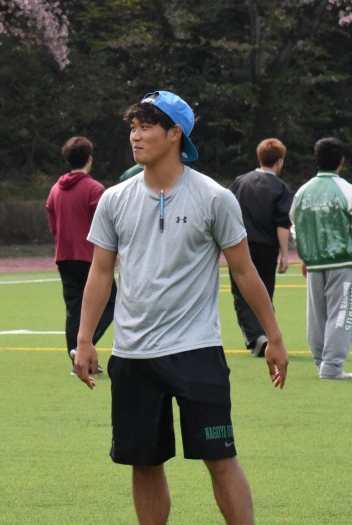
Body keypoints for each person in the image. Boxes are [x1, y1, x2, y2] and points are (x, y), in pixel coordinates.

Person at [73, 90, 288, 525]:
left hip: (197, 352)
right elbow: (101, 271)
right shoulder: (115, 199)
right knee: (144, 462)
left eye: (146, 127)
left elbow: (244, 271)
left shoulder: (214, 197)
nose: (135, 136)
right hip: (133, 354)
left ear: (175, 135)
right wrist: (85, 338)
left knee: (220, 457)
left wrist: (275, 337)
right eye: (133, 127)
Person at [45, 136, 116, 374]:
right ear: (90, 159)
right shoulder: (94, 189)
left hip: (64, 256)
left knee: (74, 308)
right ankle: (82, 347)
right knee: (110, 302)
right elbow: (103, 225)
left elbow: (53, 225)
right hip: (90, 257)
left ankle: (77, 361)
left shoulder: (55, 189)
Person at [289, 137, 352, 380]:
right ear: (341, 161)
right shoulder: (346, 189)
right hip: (343, 261)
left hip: (314, 263)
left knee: (317, 316)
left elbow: (296, 224)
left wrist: (305, 256)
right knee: (342, 312)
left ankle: (320, 361)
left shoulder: (303, 191)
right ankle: (332, 366)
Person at [228, 138, 293, 357]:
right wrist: (285, 254)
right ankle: (267, 334)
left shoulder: (240, 182)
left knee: (241, 293)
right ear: (280, 161)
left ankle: (257, 337)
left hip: (240, 245)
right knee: (264, 291)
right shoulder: (280, 187)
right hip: (267, 247)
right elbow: (282, 224)